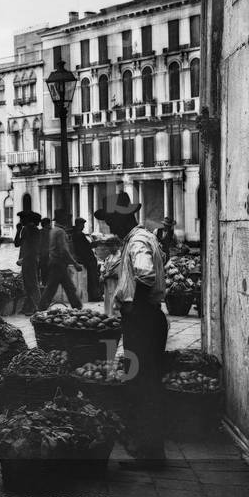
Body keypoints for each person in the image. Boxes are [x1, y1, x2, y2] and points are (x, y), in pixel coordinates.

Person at [96, 192, 167, 469]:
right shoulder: (144, 237)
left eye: (112, 222)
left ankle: (151, 453)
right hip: (147, 319)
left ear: (123, 219)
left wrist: (135, 310)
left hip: (144, 321)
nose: (111, 228)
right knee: (143, 381)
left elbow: (146, 274)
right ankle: (148, 448)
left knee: (144, 384)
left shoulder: (137, 241)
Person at [39, 210, 83, 310]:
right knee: (54, 287)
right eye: (67, 219)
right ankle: (41, 307)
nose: (68, 221)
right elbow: (63, 250)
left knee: (66, 286)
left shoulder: (54, 230)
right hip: (59, 263)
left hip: (55, 262)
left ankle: (77, 306)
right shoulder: (60, 232)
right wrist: (75, 263)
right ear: (63, 219)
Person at [14, 211, 42, 314]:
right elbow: (18, 244)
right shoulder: (27, 229)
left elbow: (31, 247)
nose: (20, 221)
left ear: (27, 219)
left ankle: (36, 307)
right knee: (28, 283)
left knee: (32, 284)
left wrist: (24, 259)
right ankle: (31, 307)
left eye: (22, 218)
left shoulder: (30, 229)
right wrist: (18, 230)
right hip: (29, 259)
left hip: (30, 259)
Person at [71, 217, 102, 303]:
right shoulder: (79, 234)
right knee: (93, 277)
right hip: (86, 258)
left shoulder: (76, 234)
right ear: (78, 224)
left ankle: (94, 295)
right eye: (82, 224)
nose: (83, 226)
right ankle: (95, 295)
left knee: (92, 276)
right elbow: (85, 248)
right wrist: (95, 243)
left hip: (84, 258)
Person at [38, 217, 52, 286]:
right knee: (47, 273)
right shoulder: (51, 232)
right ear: (47, 224)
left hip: (40, 255)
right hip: (48, 255)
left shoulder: (39, 232)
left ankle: (42, 286)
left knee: (41, 273)